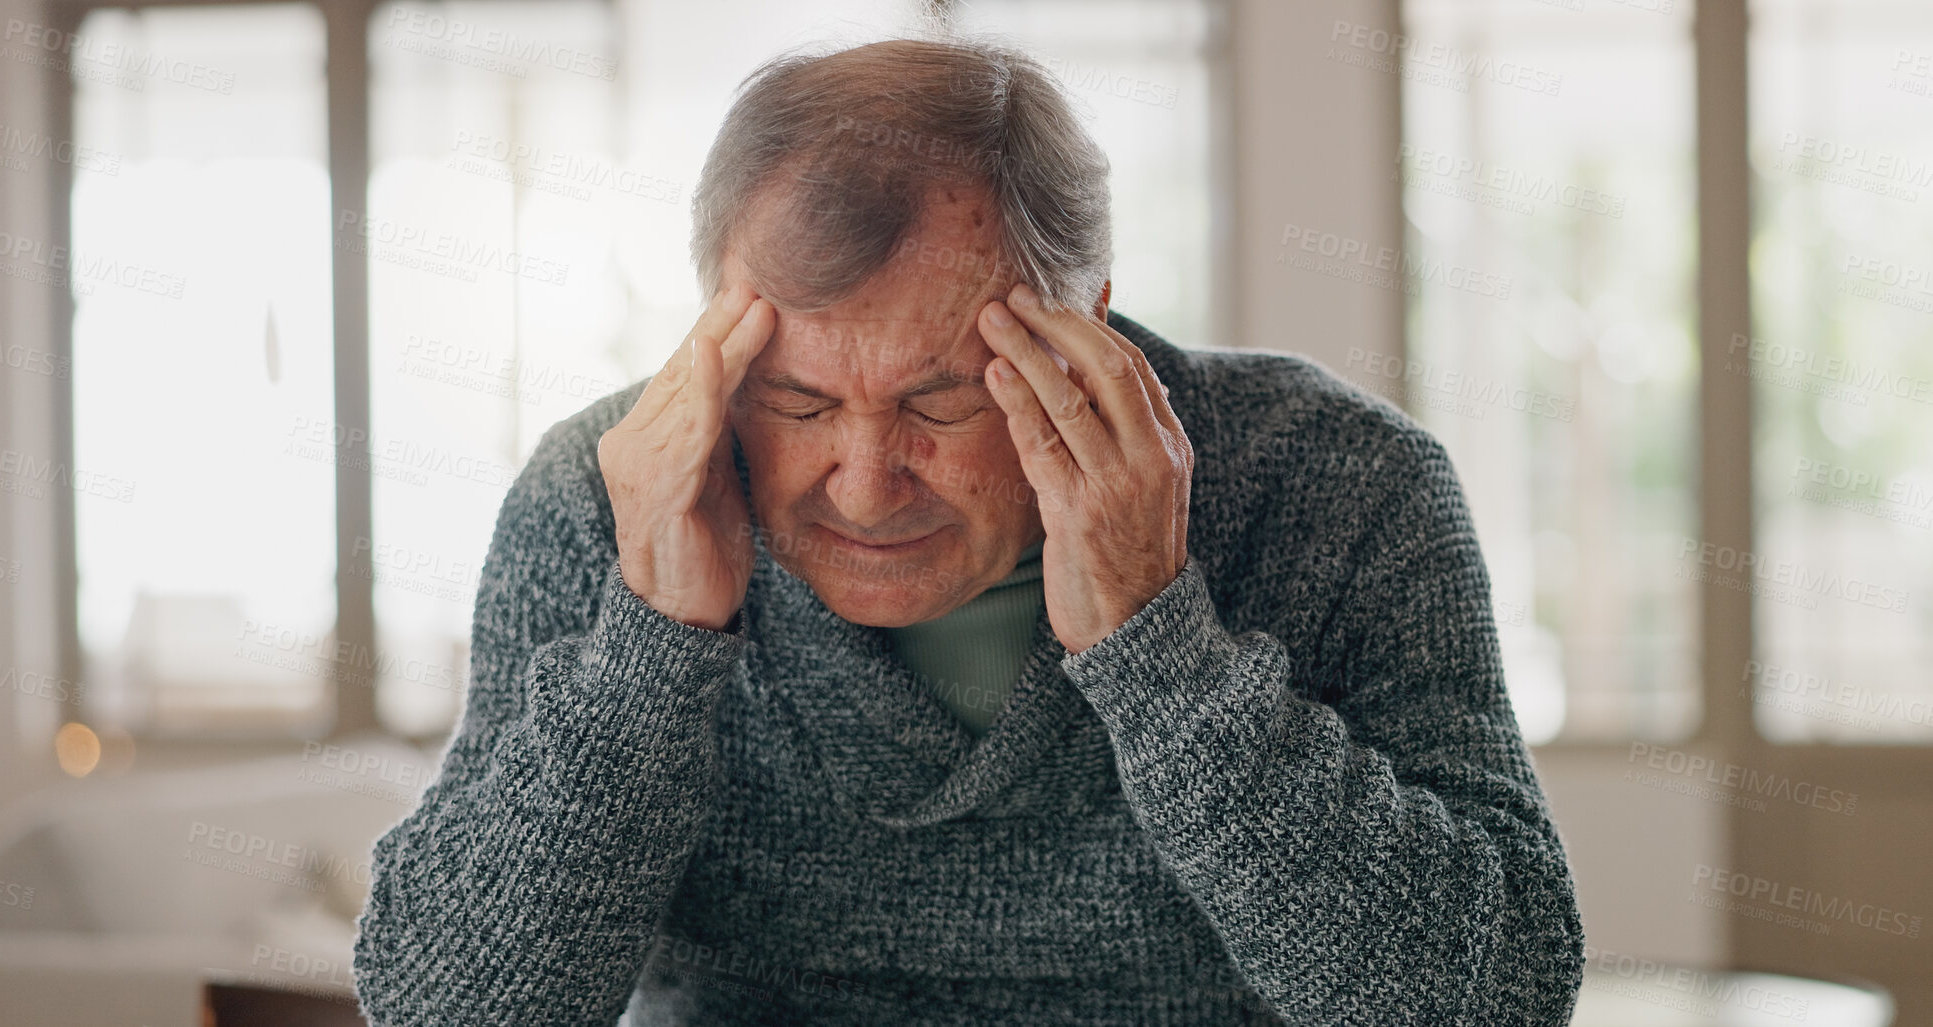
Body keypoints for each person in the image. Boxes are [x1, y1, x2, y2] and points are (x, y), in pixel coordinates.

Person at [351, 35, 1586, 1027]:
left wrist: (1164, 654)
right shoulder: (602, 497)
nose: (865, 484)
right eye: (797, 401)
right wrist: (649, 646)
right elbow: (442, 1007)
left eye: (941, 399)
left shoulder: (1341, 484)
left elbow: (1498, 997)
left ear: (1087, 321)